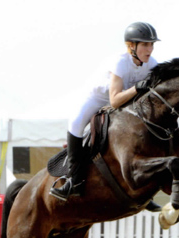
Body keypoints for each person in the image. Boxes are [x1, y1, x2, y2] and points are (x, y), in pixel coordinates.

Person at [50, 21, 161, 211]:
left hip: (128, 103)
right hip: (98, 99)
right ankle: (72, 180)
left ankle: (143, 189)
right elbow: (115, 100)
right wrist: (137, 88)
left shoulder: (152, 64)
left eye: (151, 44)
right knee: (76, 123)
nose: (149, 49)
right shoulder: (120, 62)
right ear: (131, 46)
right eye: (145, 44)